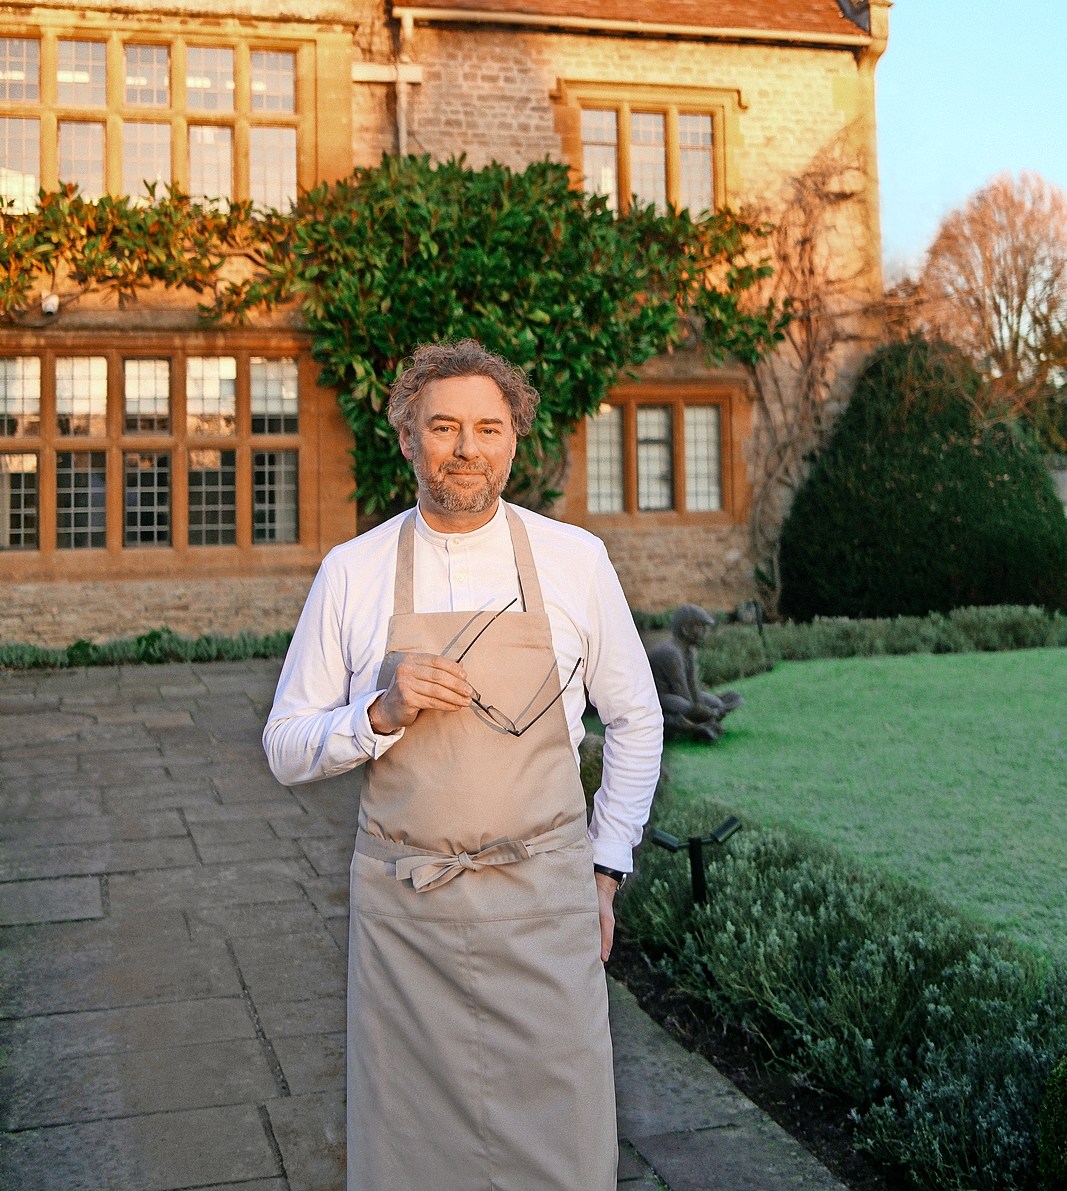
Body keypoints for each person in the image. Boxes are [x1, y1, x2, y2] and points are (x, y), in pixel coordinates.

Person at [263, 339, 663, 1190]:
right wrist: (378, 712)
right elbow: (285, 744)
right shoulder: (352, 572)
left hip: (542, 900)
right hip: (408, 914)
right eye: (442, 426)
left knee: (565, 1143)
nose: (465, 448)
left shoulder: (573, 560)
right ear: (406, 437)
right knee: (411, 1156)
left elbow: (636, 717)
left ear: (515, 437)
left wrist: (604, 867)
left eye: (487, 426)